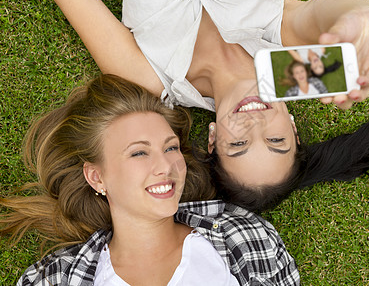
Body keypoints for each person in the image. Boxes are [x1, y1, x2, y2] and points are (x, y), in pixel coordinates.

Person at [41, 0, 369, 190]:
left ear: (212, 140)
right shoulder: (290, 52)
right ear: (293, 128)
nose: (255, 127)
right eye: (275, 140)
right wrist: (364, 15)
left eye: (238, 144)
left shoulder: (150, 79)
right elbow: (322, 11)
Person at [0, 75, 300, 285]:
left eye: (170, 147)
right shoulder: (52, 279)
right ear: (96, 176)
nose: (165, 166)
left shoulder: (247, 237)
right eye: (139, 153)